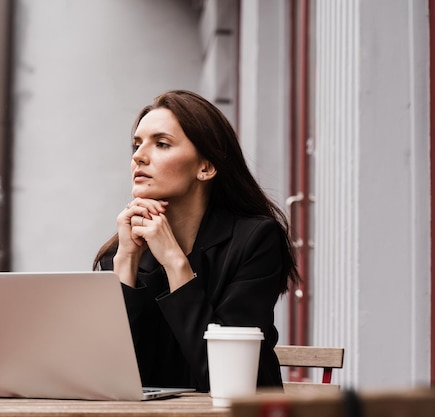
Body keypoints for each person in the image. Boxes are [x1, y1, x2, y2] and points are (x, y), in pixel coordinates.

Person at [93, 90, 300, 392]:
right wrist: (125, 263)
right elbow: (107, 379)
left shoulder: (254, 240)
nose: (138, 156)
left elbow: (227, 380)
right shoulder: (123, 249)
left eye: (161, 144)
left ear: (205, 167)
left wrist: (176, 263)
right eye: (137, 145)